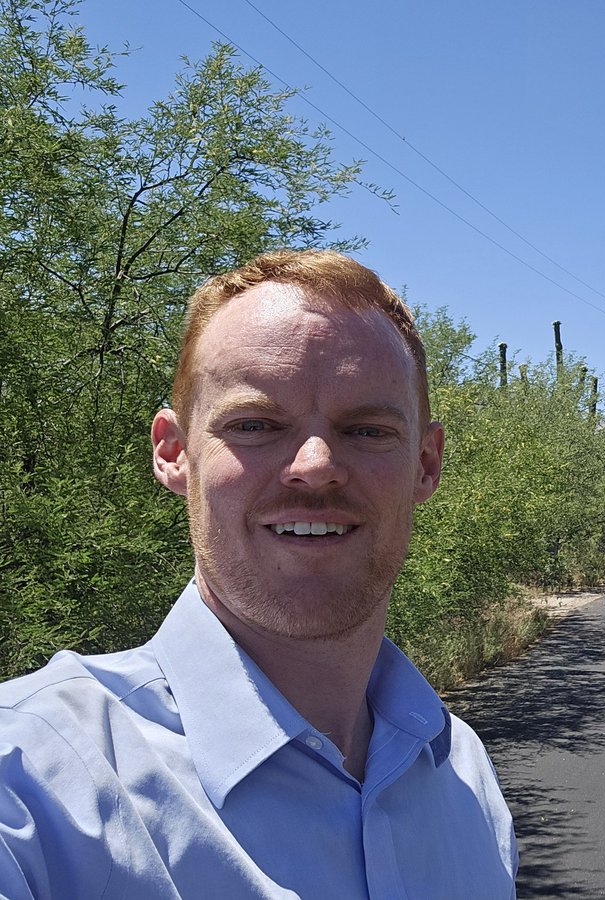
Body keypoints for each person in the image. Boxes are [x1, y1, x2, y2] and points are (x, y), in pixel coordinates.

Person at [0, 250, 518, 898]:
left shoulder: (463, 773)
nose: (316, 464)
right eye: (255, 425)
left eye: (366, 429)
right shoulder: (31, 784)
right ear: (174, 452)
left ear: (425, 463)